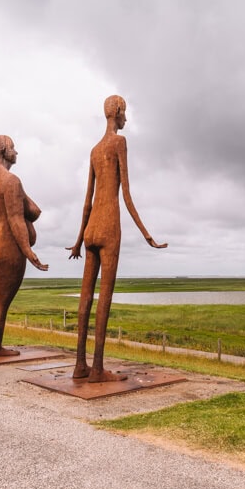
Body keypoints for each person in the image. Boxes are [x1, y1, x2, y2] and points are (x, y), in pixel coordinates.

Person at [67, 95, 167, 382]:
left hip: (90, 230)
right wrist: (147, 235)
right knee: (104, 298)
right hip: (109, 224)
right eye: (125, 113)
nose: (126, 119)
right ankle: (97, 369)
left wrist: (78, 240)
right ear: (118, 112)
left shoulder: (95, 149)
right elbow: (126, 194)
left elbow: (86, 200)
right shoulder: (118, 144)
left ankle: (79, 365)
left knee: (85, 297)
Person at [0, 135, 48, 358]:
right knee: (0, 303)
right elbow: (16, 220)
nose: (16, 152)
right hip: (3, 246)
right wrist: (29, 252)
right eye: (13, 147)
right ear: (5, 150)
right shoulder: (11, 181)